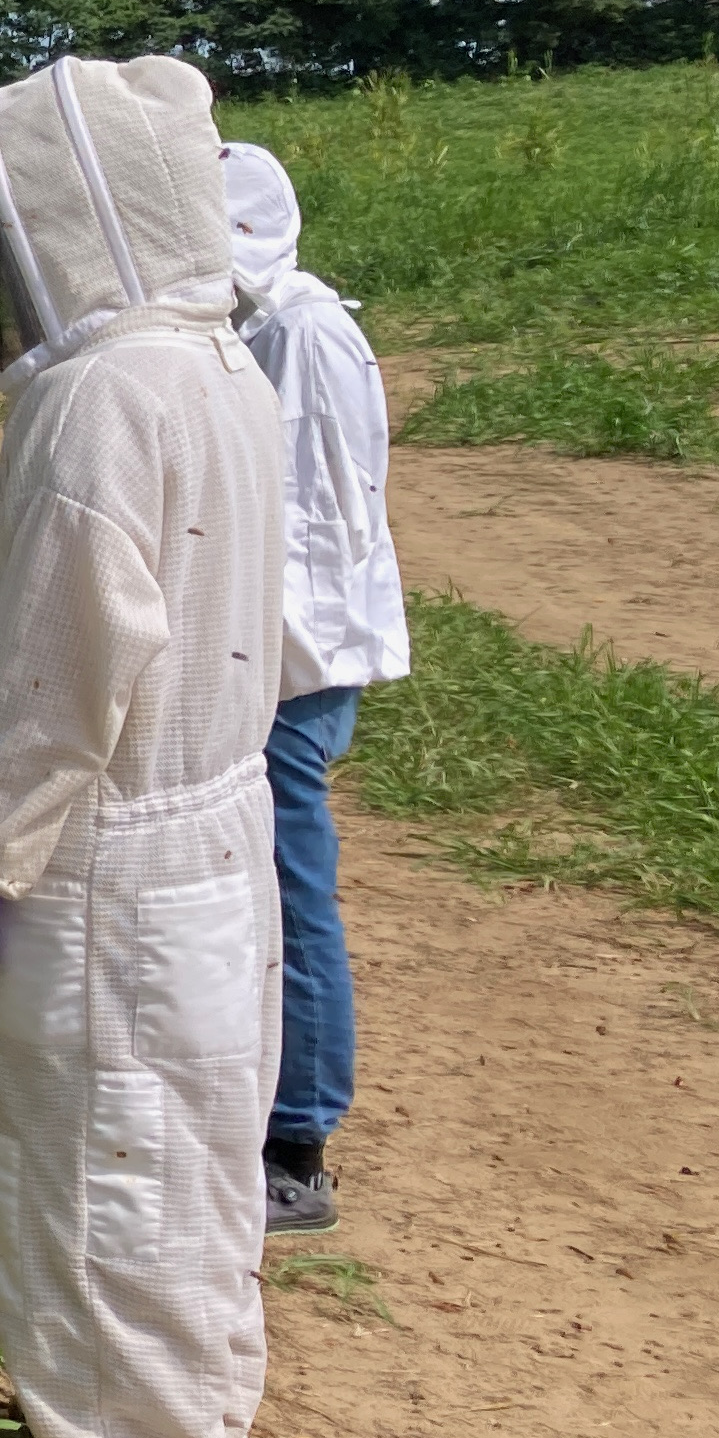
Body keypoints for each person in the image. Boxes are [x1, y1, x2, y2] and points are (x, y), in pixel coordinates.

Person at [0, 55, 283, 1438]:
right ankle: (183, 1421)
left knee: (96, 1151)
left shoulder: (99, 401)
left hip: (107, 844)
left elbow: (58, 662)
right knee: (186, 1146)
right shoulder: (217, 363)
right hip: (210, 819)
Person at [221, 142, 406, 1238]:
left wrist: (264, 659)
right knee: (253, 887)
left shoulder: (302, 329)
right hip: (269, 652)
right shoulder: (255, 327)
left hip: (300, 654)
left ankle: (297, 1143)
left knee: (291, 889)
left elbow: (318, 521)